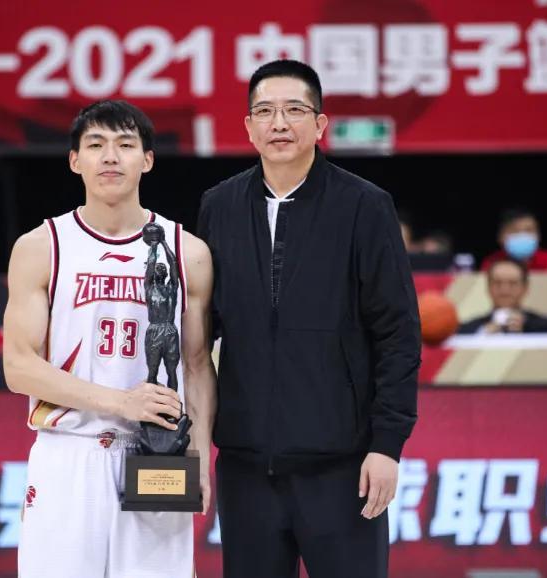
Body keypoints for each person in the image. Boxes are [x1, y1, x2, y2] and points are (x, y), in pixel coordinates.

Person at [197, 60, 420, 578]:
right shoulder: (218, 207)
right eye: (265, 112)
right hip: (246, 469)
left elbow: (398, 335)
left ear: (320, 124)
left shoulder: (365, 206)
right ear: (248, 126)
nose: (279, 123)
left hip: (343, 468)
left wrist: (387, 447)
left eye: (294, 110)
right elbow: (198, 336)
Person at [2, 100, 216, 578]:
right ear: (75, 160)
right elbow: (18, 367)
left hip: (158, 453)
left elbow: (198, 365)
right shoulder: (41, 247)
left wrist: (199, 456)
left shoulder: (189, 252)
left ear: (148, 159)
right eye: (96, 144)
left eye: (125, 144)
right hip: (68, 451)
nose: (111, 156)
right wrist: (122, 402)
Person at [459, 257, 547, 334]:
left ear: (525, 288)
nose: (504, 290)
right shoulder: (469, 330)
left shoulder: (546, 326)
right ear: (488, 287)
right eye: (497, 283)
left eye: (513, 283)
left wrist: (526, 330)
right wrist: (482, 334)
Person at [481, 207, 547, 271]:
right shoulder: (491, 262)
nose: (522, 236)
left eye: (529, 230)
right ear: (500, 237)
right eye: (514, 231)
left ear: (538, 235)